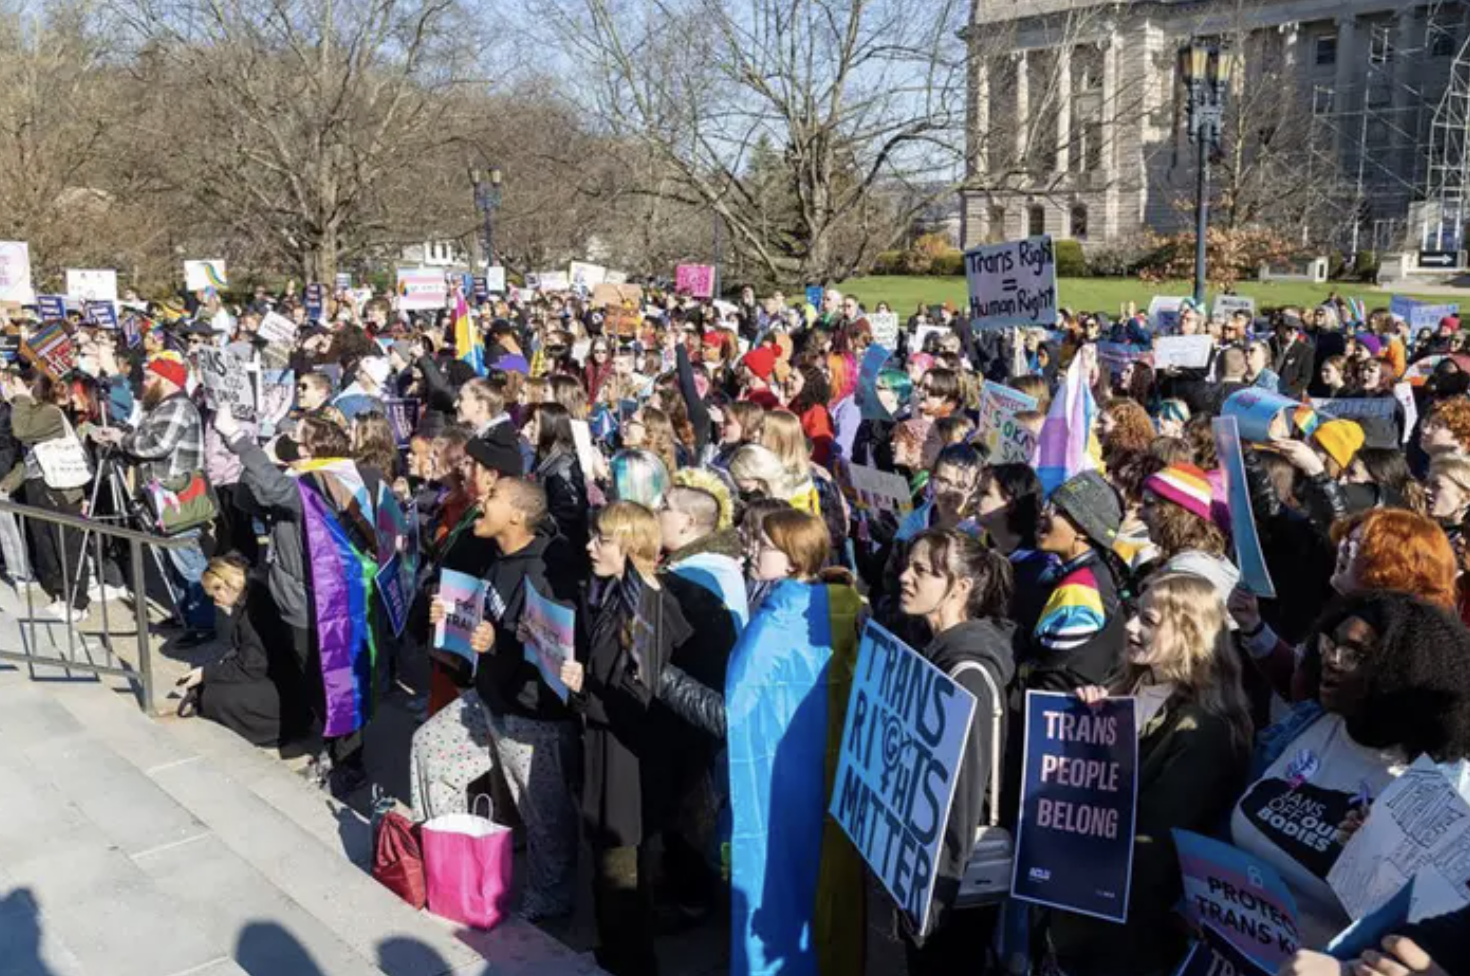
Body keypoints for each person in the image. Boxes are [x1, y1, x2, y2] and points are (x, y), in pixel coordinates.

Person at [1232, 591, 1470, 946]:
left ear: (1401, 674)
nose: (1332, 660)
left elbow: (1422, 938)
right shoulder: (1304, 725)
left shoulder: (1440, 790)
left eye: (1355, 654)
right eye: (1331, 644)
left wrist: (1379, 863)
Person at [1048, 574, 1253, 976]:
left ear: (1190, 634)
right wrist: (1085, 724)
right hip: (1081, 910)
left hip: (1126, 935)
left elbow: (1152, 846)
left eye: (1149, 620)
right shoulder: (1131, 687)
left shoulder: (1205, 730)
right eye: (1133, 615)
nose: (1129, 627)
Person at [411, 477, 584, 920]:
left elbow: (555, 647)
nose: (480, 500)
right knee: (430, 750)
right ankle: (448, 863)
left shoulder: (549, 567)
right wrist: (448, 614)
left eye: (492, 498)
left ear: (517, 515)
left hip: (531, 714)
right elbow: (479, 616)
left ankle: (550, 903)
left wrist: (501, 644)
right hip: (487, 699)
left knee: (544, 814)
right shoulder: (491, 553)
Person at [725, 508, 865, 976]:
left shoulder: (777, 621)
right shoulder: (844, 607)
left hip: (775, 782)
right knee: (823, 881)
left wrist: (665, 681)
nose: (751, 551)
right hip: (827, 775)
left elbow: (734, 711)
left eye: (762, 545)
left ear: (790, 560)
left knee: (776, 882)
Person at [559, 502, 695, 976]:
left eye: (603, 539)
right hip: (605, 750)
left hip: (628, 763)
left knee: (622, 874)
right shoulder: (619, 593)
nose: (590, 546)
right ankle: (611, 953)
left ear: (632, 546)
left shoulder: (649, 606)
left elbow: (643, 701)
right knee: (607, 867)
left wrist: (583, 690)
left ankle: (631, 964)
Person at [894, 529, 1016, 973]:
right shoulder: (937, 650)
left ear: (961, 587)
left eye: (922, 571)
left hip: (950, 887)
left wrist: (930, 907)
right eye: (908, 566)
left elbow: (960, 800)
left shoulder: (967, 673)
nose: (905, 577)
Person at [94, 351, 215, 644]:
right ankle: (185, 612)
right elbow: (146, 437)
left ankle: (203, 623)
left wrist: (121, 440)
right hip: (161, 497)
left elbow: (156, 445)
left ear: (167, 380)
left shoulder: (178, 407)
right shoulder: (163, 406)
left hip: (179, 498)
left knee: (187, 561)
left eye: (150, 378)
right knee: (169, 558)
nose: (144, 383)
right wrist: (120, 434)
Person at [178, 555, 310, 746]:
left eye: (215, 595)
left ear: (226, 587)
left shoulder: (253, 612)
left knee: (214, 697)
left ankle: (284, 727)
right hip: (281, 677)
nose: (215, 602)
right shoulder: (254, 593)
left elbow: (251, 666)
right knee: (211, 689)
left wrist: (206, 673)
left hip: (281, 687)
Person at [1, 371, 93, 621]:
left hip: (60, 487)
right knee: (46, 545)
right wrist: (6, 485)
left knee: (66, 546)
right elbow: (28, 460)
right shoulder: (28, 411)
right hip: (37, 487)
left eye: (17, 384)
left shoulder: (50, 413)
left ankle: (78, 601)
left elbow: (21, 431)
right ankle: (60, 595)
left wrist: (20, 398)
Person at [524, 401, 589, 554]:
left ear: (550, 426)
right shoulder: (544, 457)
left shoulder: (562, 467)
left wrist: (530, 516)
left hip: (558, 550)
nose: (529, 425)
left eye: (535, 421)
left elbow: (566, 519)